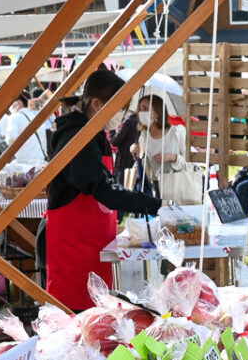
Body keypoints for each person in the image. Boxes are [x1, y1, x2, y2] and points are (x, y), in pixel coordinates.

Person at [37, 70, 160, 310]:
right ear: (96, 104)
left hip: (93, 247)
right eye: (120, 108)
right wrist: (156, 205)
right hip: (71, 249)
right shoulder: (75, 136)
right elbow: (104, 189)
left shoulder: (95, 133)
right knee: (75, 322)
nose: (123, 117)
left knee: (96, 317)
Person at [139, 93, 194, 205]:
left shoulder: (177, 132)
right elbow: (146, 166)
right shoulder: (144, 136)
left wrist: (173, 158)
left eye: (145, 109)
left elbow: (192, 163)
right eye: (139, 109)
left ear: (157, 112)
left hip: (179, 186)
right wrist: (138, 154)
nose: (141, 113)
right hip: (157, 187)